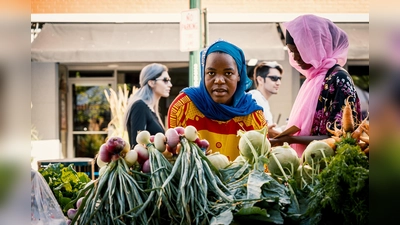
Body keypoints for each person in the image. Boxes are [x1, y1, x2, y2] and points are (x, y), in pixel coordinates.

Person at [270, 14, 362, 157]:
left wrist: (291, 139)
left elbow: (342, 138)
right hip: (310, 166)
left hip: (331, 169)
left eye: (298, 50)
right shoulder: (313, 79)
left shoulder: (339, 79)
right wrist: (283, 136)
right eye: (291, 51)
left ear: (316, 46)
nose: (294, 57)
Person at [167, 39, 267, 160]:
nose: (219, 80)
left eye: (228, 73)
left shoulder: (253, 116)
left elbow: (262, 167)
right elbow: (172, 158)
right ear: (203, 74)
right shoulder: (183, 108)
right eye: (211, 73)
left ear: (239, 75)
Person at [124, 63, 172, 147]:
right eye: (165, 80)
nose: (170, 84)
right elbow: (137, 147)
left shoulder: (151, 110)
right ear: (151, 83)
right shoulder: (139, 106)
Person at [248, 61, 283, 137]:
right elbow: (251, 131)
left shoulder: (262, 99)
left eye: (280, 79)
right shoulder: (254, 98)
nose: (278, 82)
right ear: (260, 80)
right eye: (274, 78)